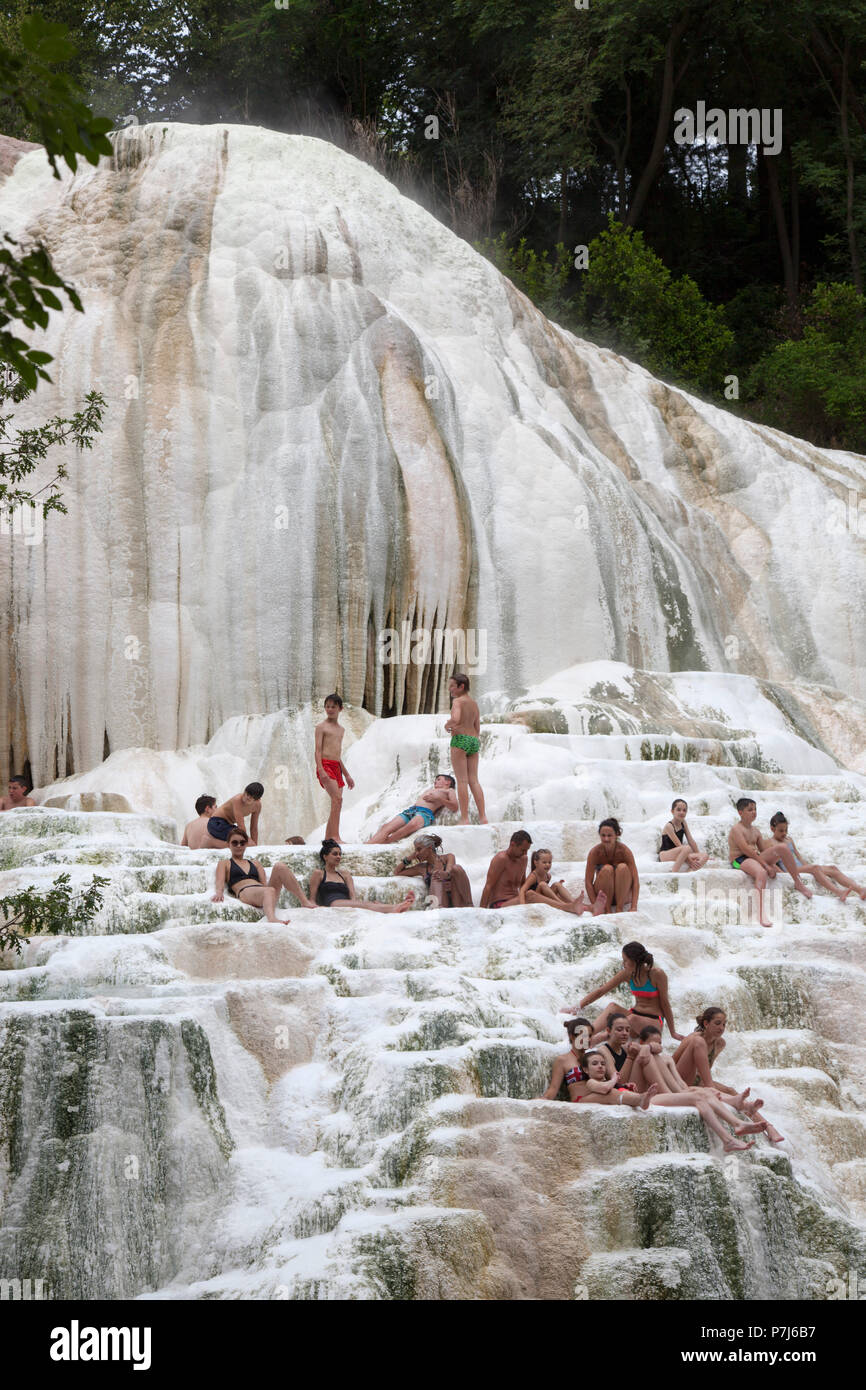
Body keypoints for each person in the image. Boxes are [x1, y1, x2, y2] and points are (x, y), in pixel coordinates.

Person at [674, 1008, 785, 1143]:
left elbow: (706, 1068)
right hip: (679, 1079)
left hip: (699, 1081)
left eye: (724, 1024)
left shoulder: (720, 1043)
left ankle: (768, 1127)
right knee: (720, 1090)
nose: (721, 1027)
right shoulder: (693, 1039)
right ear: (706, 1023)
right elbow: (672, 1063)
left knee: (731, 1091)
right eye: (717, 1023)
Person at [728, 798, 812, 927]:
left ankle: (798, 882)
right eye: (750, 810)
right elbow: (746, 850)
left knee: (782, 848)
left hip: (754, 858)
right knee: (761, 872)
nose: (753, 812)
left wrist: (772, 865)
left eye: (755, 809)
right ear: (740, 812)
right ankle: (761, 915)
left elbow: (763, 851)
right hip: (739, 860)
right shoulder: (736, 829)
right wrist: (766, 865)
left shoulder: (756, 831)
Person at [575, 941, 684, 1040]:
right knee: (613, 1007)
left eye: (625, 960)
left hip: (654, 1021)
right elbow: (601, 991)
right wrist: (578, 1007)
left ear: (635, 961)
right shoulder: (626, 974)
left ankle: (600, 1038)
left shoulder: (656, 974)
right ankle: (587, 1035)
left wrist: (673, 1032)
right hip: (633, 1016)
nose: (623, 964)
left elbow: (665, 1003)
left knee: (630, 1020)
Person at [540, 1019, 657, 1108]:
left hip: (600, 1094)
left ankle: (641, 1099)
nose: (588, 1039)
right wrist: (540, 1100)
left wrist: (624, 1086)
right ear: (572, 1036)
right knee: (610, 1094)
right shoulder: (563, 1060)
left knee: (615, 1091)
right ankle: (641, 1099)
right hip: (580, 1100)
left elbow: (606, 1081)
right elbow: (553, 1090)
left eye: (590, 1035)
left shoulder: (594, 1057)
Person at [211, 828, 315, 921]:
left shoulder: (255, 863)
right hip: (245, 892)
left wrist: (269, 892)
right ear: (228, 844)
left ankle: (304, 901)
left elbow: (264, 884)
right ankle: (272, 918)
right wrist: (219, 892)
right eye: (235, 843)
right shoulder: (224, 863)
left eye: (242, 843)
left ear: (246, 844)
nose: (239, 845)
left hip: (264, 893)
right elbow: (219, 881)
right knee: (268, 890)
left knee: (280, 866)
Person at [769, 812, 866, 902]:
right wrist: (783, 874)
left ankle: (860, 890)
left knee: (832, 868)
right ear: (772, 829)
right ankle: (839, 892)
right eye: (781, 831)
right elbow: (771, 863)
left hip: (800, 867)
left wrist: (807, 866)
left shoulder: (789, 839)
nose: (784, 833)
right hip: (790, 870)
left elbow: (798, 855)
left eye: (786, 830)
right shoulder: (770, 843)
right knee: (815, 868)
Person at [309, 840, 416, 912]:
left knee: (369, 904)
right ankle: (395, 908)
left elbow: (353, 897)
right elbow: (312, 899)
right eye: (335, 854)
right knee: (367, 905)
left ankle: (396, 907)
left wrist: (359, 904)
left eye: (340, 854)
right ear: (325, 856)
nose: (338, 857)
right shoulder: (319, 873)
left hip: (346, 904)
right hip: (333, 904)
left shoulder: (344, 874)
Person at [444, 673, 487, 825]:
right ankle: (483, 817)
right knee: (474, 781)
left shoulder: (457, 701)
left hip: (460, 740)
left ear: (461, 687)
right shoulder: (474, 703)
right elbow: (477, 727)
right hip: (474, 741)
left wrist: (448, 725)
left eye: (452, 686)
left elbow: (455, 719)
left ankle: (465, 819)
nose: (450, 689)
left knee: (462, 781)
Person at [366, 776, 459, 843]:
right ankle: (367, 845)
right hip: (412, 810)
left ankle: (387, 842)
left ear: (448, 782)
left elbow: (455, 807)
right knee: (386, 827)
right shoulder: (431, 789)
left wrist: (438, 799)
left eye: (438, 779)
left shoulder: (449, 791)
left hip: (425, 813)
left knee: (412, 825)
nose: (435, 782)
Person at [315, 694, 354, 844]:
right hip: (325, 765)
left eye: (333, 707)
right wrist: (321, 770)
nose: (330, 709)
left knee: (336, 802)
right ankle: (335, 837)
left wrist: (347, 775)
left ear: (340, 708)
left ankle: (328, 839)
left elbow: (337, 756)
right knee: (337, 799)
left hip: (336, 767)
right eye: (327, 706)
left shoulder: (341, 730)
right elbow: (317, 751)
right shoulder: (321, 727)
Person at [393, 833, 473, 907]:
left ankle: (469, 905)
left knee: (457, 868)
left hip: (457, 899)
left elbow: (450, 870)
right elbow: (397, 872)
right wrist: (410, 858)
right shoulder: (421, 868)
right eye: (415, 851)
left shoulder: (448, 857)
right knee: (436, 875)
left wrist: (446, 874)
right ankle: (438, 908)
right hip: (439, 901)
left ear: (429, 848)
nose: (416, 853)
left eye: (419, 849)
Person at [585, 818, 639, 914]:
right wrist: (595, 905)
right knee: (607, 869)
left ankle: (619, 908)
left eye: (609, 835)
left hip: (623, 894)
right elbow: (588, 882)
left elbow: (635, 881)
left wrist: (634, 906)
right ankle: (607, 909)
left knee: (622, 867)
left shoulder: (625, 851)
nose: (606, 839)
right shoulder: (594, 853)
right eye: (603, 835)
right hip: (603, 894)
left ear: (617, 834)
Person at [518, 848, 589, 915]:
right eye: (544, 862)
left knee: (557, 884)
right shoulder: (533, 876)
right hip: (533, 898)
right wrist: (523, 907)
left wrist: (557, 887)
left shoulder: (548, 876)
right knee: (542, 884)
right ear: (536, 863)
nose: (547, 865)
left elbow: (546, 891)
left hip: (543, 897)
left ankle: (574, 902)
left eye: (549, 862)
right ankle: (565, 905)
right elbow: (522, 890)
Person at [201, 783, 265, 848]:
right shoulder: (237, 800)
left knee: (251, 845)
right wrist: (249, 844)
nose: (246, 798)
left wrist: (255, 847)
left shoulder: (257, 806)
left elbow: (254, 828)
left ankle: (214, 842)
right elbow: (241, 826)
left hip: (228, 825)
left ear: (257, 800)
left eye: (250, 798)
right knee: (247, 844)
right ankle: (211, 842)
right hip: (216, 823)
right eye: (246, 794)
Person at [480, 830, 532, 908]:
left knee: (532, 894)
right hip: (499, 903)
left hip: (515, 900)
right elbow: (488, 886)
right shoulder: (501, 859)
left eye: (527, 850)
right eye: (523, 850)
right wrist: (481, 911)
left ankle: (557, 905)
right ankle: (558, 907)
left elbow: (523, 884)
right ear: (512, 844)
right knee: (530, 896)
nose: (525, 853)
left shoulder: (523, 859)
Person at [659, 799, 708, 872]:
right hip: (665, 855)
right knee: (687, 848)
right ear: (672, 811)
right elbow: (679, 845)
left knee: (705, 856)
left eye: (684, 810)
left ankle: (688, 873)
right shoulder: (669, 826)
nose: (681, 812)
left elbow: (691, 841)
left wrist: (698, 854)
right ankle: (673, 872)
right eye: (678, 810)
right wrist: (691, 862)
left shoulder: (683, 823)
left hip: (680, 854)